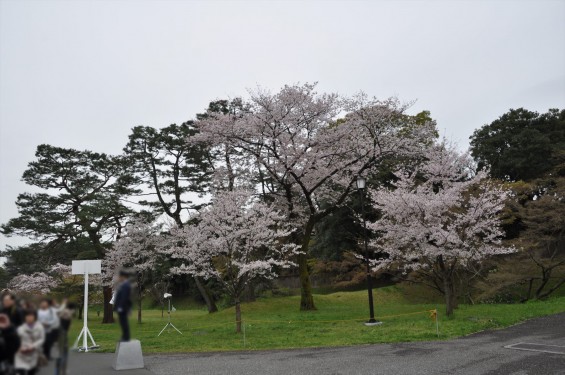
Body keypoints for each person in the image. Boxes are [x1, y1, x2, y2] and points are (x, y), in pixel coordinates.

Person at [15, 310, 45, 375]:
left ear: (35, 317)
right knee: (20, 370)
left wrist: (33, 346)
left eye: (31, 316)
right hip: (22, 353)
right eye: (27, 316)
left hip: (34, 352)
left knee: (31, 371)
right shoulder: (20, 328)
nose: (29, 317)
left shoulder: (39, 327)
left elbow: (42, 339)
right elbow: (17, 340)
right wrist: (19, 347)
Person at [54, 302, 75, 375]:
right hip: (61, 339)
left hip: (63, 339)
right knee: (61, 357)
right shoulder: (64, 319)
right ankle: (59, 371)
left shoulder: (62, 319)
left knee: (62, 356)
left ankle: (61, 371)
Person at [114, 270, 132, 342]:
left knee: (124, 322)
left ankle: (126, 337)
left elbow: (124, 297)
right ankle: (124, 336)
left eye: (119, 276)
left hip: (123, 307)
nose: (118, 278)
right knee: (122, 322)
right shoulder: (124, 284)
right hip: (122, 306)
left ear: (123, 276)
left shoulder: (125, 285)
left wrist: (120, 306)